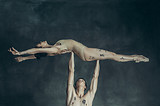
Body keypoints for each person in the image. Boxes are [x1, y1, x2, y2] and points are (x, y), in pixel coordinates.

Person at [8, 39, 149, 63]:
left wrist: (24, 58)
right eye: (39, 43)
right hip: (85, 53)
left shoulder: (52, 49)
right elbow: (35, 51)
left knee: (111, 55)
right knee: (112, 55)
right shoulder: (54, 49)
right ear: (41, 47)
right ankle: (134, 58)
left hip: (85, 53)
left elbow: (36, 56)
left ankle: (134, 57)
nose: (41, 41)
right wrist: (20, 53)